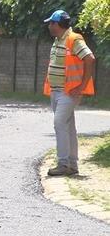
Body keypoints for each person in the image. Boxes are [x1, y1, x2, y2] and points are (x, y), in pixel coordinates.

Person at [42, 10, 96, 177]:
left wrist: (81, 86)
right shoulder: (58, 40)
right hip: (57, 91)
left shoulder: (73, 39)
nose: (49, 26)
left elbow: (90, 58)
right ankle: (72, 164)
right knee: (68, 127)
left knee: (59, 123)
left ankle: (63, 164)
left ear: (58, 24)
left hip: (68, 92)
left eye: (51, 23)